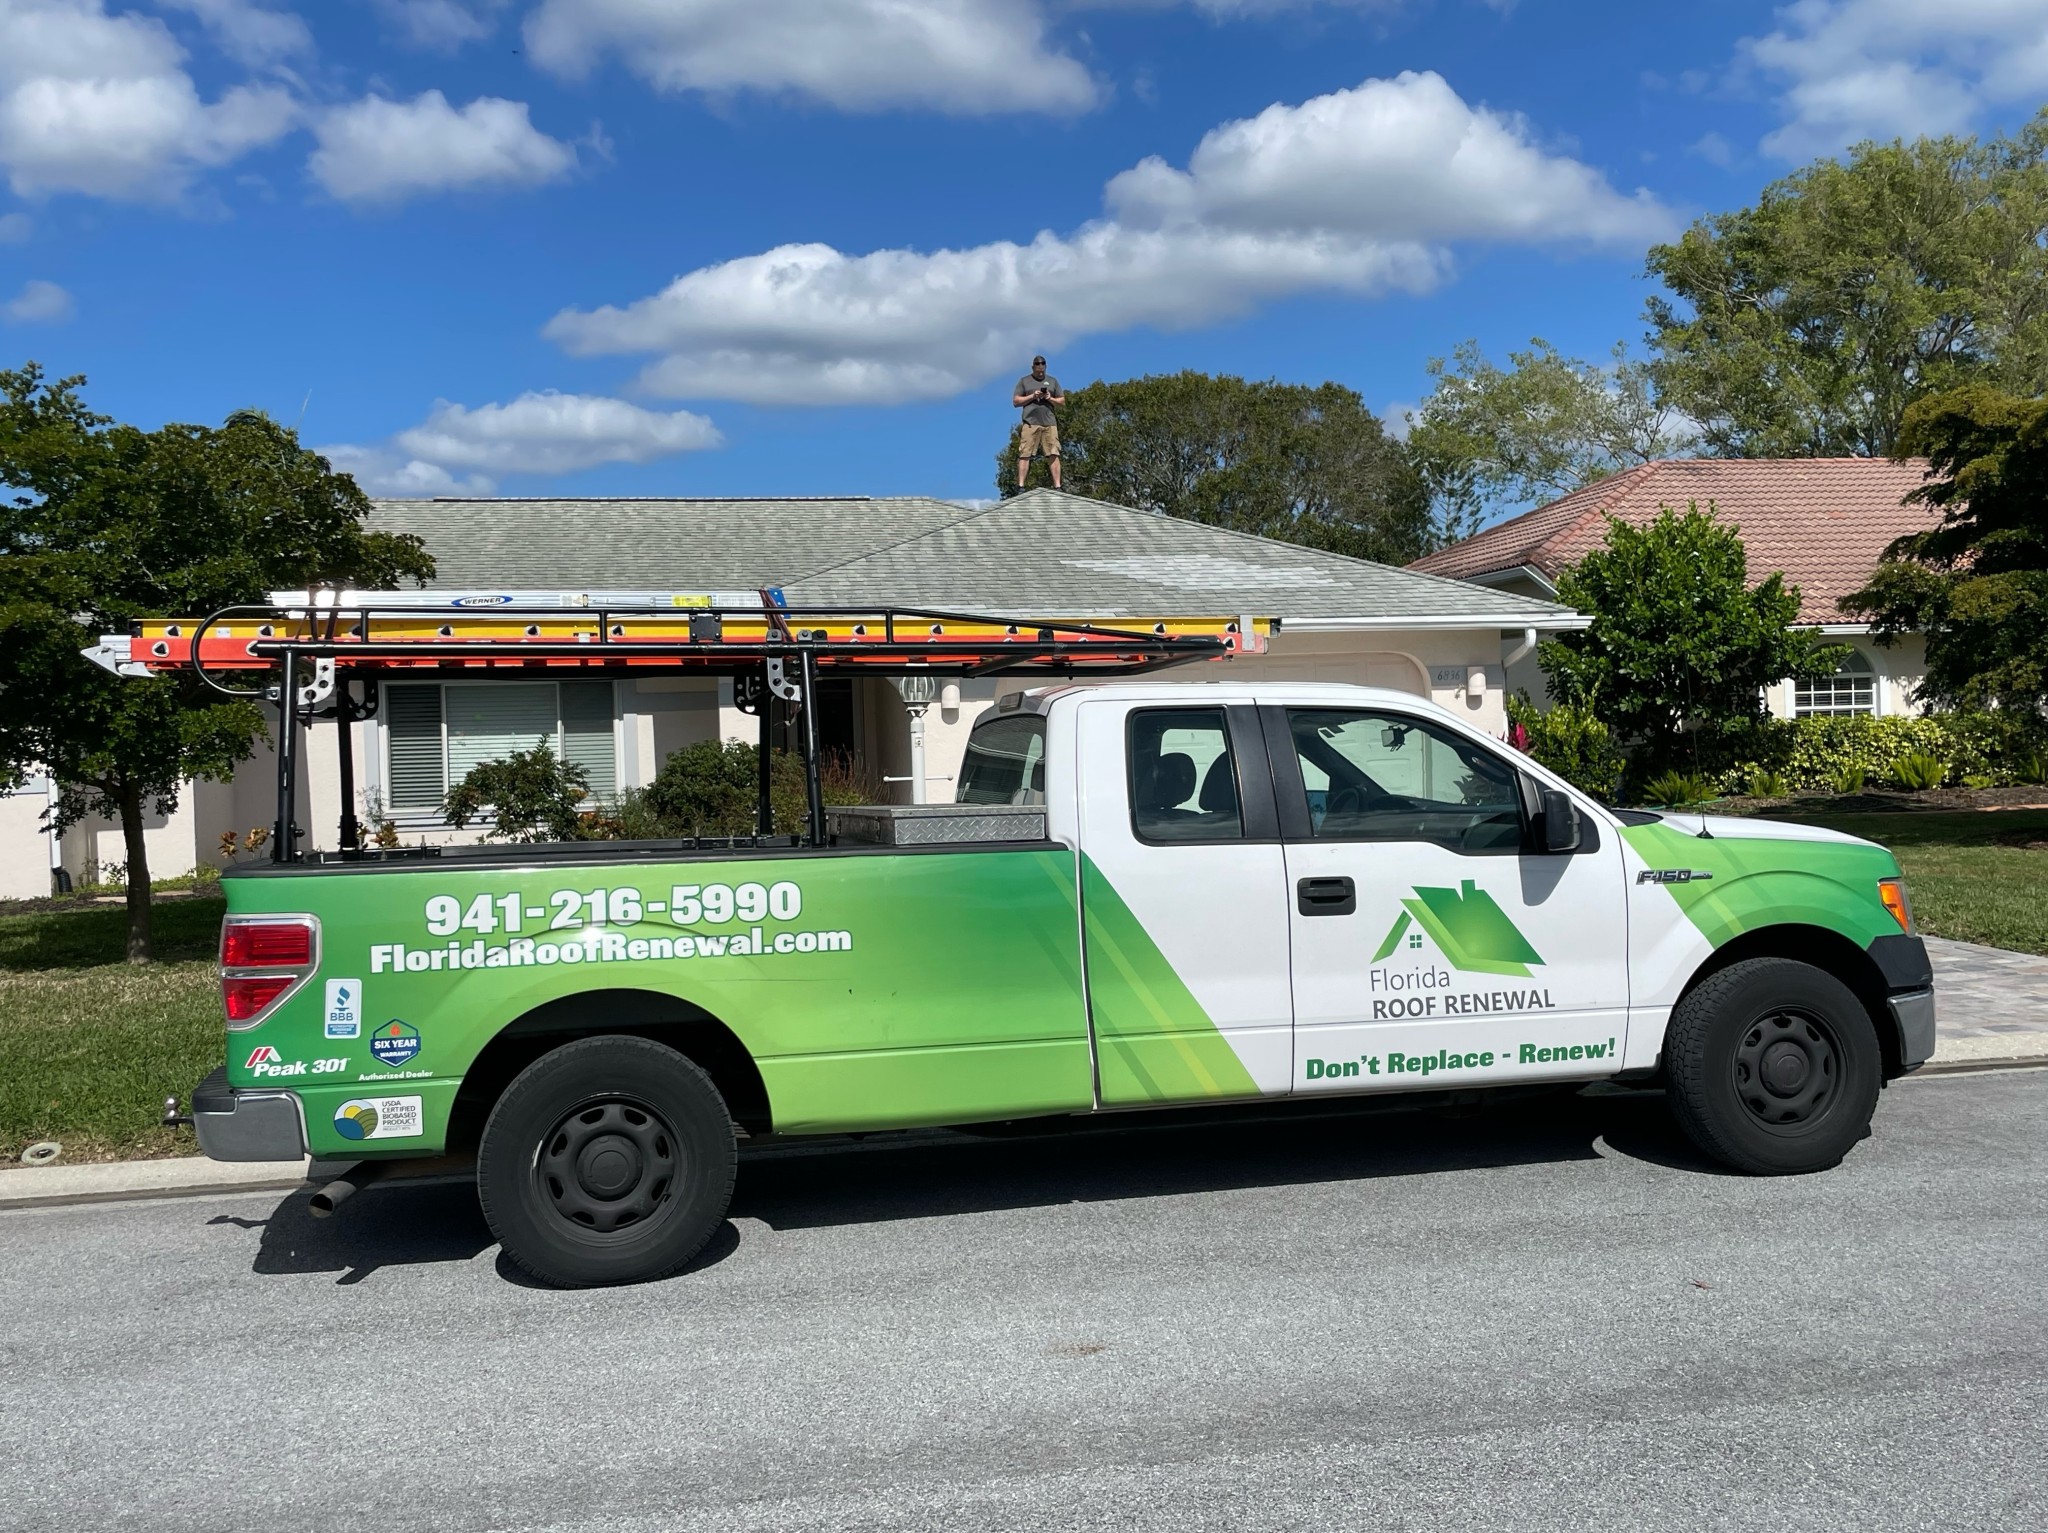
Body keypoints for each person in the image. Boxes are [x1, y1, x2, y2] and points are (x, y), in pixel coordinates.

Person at [1012, 355, 1065, 489]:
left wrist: (1049, 398)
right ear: (1033, 366)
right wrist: (1032, 396)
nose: (1040, 366)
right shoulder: (1024, 381)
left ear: (1046, 366)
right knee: (1025, 453)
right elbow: (1016, 401)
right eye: (1037, 364)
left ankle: (1058, 486)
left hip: (1049, 423)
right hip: (1030, 422)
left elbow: (1062, 401)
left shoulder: (1052, 381)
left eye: (1042, 364)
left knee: (1054, 452)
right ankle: (1021, 485)